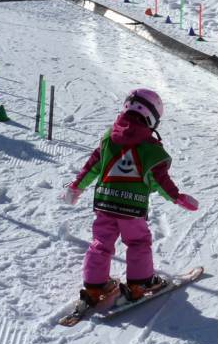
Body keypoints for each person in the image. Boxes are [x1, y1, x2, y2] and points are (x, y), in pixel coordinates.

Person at [60, 89, 198, 309]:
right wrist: (177, 197)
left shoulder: (108, 138)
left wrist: (76, 187)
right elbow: (159, 180)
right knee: (137, 242)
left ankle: (94, 286)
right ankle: (140, 284)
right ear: (152, 118)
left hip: (105, 203)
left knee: (101, 244)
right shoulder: (151, 149)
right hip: (131, 208)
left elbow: (92, 166)